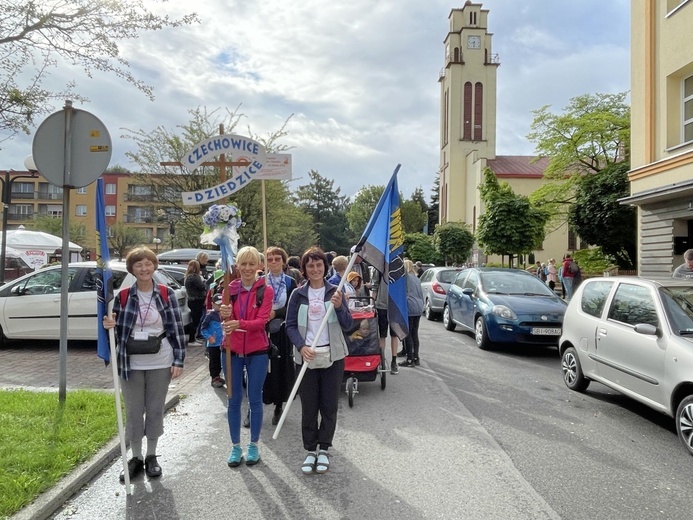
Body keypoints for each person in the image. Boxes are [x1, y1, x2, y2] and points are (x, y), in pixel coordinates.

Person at [102, 246, 185, 482]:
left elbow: (177, 330)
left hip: (161, 359)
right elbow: (114, 327)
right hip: (131, 362)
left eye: (148, 263)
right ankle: (135, 457)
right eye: (138, 265)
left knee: (155, 409)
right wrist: (109, 324)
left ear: (154, 265)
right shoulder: (124, 296)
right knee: (134, 411)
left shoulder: (166, 293)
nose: (144, 268)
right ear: (132, 269)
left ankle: (151, 456)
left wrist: (178, 360)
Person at [285, 247, 353, 475]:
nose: (315, 269)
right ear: (304, 269)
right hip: (306, 358)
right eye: (310, 265)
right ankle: (310, 450)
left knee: (329, 405)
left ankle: (324, 448)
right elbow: (290, 325)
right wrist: (301, 346)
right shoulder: (298, 294)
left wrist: (340, 306)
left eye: (319, 264)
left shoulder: (336, 291)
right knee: (309, 406)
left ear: (326, 267)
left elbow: (347, 324)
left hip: (332, 357)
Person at [219, 246, 274, 467]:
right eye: (244, 264)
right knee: (233, 400)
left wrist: (239, 323)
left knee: (254, 398)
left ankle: (253, 445)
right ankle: (235, 447)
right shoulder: (229, 289)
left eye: (252, 264)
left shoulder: (266, 290)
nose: (248, 268)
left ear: (259, 266)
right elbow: (225, 318)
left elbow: (261, 321)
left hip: (257, 350)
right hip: (231, 349)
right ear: (237, 266)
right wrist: (223, 314)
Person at [262, 246, 297, 426]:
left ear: (284, 261)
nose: (274, 262)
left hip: (281, 331)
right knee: (259, 369)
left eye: (277, 259)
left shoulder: (290, 282)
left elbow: (294, 307)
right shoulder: (260, 282)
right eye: (270, 259)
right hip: (261, 331)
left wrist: (277, 313)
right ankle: (255, 407)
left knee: (279, 368)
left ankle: (278, 405)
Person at [371, 268, 400, 375]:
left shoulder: (399, 267)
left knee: (394, 335)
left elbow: (402, 287)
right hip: (381, 306)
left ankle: (393, 361)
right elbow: (375, 287)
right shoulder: (379, 268)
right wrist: (372, 304)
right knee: (382, 335)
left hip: (394, 306)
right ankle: (381, 360)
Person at [399, 259, 424, 368]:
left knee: (407, 333)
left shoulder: (406, 277)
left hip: (410, 306)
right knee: (414, 333)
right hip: (418, 307)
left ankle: (409, 359)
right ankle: (415, 357)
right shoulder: (416, 278)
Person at [200, 292, 225, 388]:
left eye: (221, 304)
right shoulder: (210, 315)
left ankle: (218, 376)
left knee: (220, 360)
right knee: (214, 362)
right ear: (213, 304)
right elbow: (203, 329)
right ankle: (214, 377)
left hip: (222, 343)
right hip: (213, 344)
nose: (220, 306)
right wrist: (209, 337)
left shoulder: (223, 314)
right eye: (218, 304)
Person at [184, 260, 206, 345]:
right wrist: (204, 281)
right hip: (197, 300)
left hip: (191, 300)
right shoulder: (195, 276)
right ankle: (191, 340)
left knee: (194, 319)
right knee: (196, 320)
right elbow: (202, 286)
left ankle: (193, 338)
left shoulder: (187, 276)